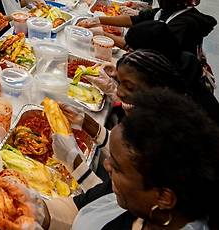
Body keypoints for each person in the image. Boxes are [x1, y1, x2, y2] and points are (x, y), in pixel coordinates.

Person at [70, 89, 219, 230]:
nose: (106, 164)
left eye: (117, 167)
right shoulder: (137, 202)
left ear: (164, 197)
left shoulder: (133, 198)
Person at [78, 0, 216, 55]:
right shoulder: (164, 11)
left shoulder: (183, 23)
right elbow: (134, 19)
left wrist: (102, 34)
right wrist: (98, 21)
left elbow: (141, 50)